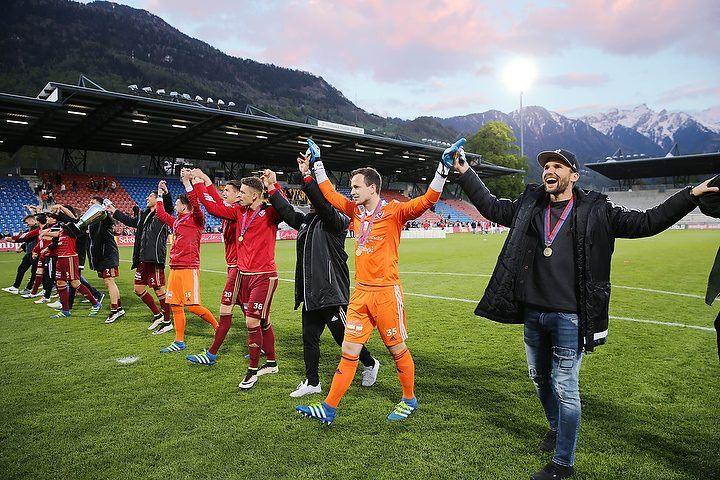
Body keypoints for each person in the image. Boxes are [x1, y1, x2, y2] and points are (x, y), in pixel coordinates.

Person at [453, 148, 718, 480]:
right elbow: (492, 207)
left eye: (557, 166)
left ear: (573, 176)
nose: (549, 170)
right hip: (533, 313)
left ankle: (563, 463)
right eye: (546, 166)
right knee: (540, 380)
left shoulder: (597, 210)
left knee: (565, 386)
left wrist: (690, 195)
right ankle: (555, 427)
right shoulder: (530, 205)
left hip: (570, 317)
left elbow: (646, 222)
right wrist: (465, 173)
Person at [295, 138, 459, 424]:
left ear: (373, 188)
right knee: (349, 353)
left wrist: (442, 171)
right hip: (360, 295)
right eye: (352, 187)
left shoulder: (394, 211)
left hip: (385, 294)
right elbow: (331, 195)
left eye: (357, 187)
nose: (352, 191)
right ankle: (329, 407)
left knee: (396, 350)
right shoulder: (355, 212)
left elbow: (426, 201)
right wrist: (317, 165)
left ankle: (409, 399)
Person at [266, 162, 380, 397]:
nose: (310, 201)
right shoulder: (307, 221)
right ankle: (312, 381)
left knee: (344, 337)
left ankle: (369, 363)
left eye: (315, 195)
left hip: (331, 291)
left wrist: (308, 177)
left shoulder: (336, 220)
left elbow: (321, 204)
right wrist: (272, 188)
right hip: (310, 292)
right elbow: (287, 213)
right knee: (309, 338)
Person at [186, 169, 282, 391]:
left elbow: (285, 209)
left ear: (255, 195)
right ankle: (271, 362)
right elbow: (213, 207)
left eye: (243, 192)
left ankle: (252, 370)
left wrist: (273, 186)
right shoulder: (240, 212)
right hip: (244, 274)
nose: (239, 195)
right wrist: (199, 183)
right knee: (261, 320)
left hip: (263, 275)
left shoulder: (269, 212)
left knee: (252, 321)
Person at [154, 173, 218, 354]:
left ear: (184, 206)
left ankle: (218, 327)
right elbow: (160, 213)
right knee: (174, 305)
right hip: (174, 268)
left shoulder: (196, 219)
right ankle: (179, 341)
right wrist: (160, 193)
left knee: (192, 306)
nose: (174, 206)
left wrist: (187, 183)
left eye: (176, 203)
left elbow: (196, 204)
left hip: (189, 267)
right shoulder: (177, 222)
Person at [107, 190, 173, 334]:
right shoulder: (145, 215)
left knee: (159, 289)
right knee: (138, 289)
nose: (146, 198)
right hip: (143, 257)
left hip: (154, 257)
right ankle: (158, 315)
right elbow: (131, 222)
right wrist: (114, 210)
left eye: (149, 196)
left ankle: (167, 321)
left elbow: (168, 207)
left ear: (157, 199)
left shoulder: (162, 214)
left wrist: (164, 193)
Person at [44, 210, 103, 319]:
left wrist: (60, 213)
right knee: (60, 283)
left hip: (70, 258)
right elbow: (58, 234)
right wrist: (45, 233)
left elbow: (70, 223)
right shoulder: (63, 229)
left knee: (75, 283)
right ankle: (65, 310)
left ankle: (95, 303)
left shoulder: (75, 227)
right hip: (60, 258)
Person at [87, 197, 123, 324]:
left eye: (93, 202)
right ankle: (118, 308)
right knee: (109, 282)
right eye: (90, 202)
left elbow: (107, 218)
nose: (90, 204)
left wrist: (106, 209)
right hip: (100, 256)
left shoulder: (104, 217)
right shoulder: (91, 221)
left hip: (108, 254)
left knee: (109, 281)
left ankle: (115, 311)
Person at [2, 214, 41, 294]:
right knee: (21, 269)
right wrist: (20, 246)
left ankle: (29, 288)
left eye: (27, 222)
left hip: (35, 253)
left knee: (34, 271)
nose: (27, 224)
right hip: (29, 252)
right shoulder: (30, 229)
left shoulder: (38, 229)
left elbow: (27, 237)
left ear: (32, 220)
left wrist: (13, 239)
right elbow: (25, 239)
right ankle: (15, 287)